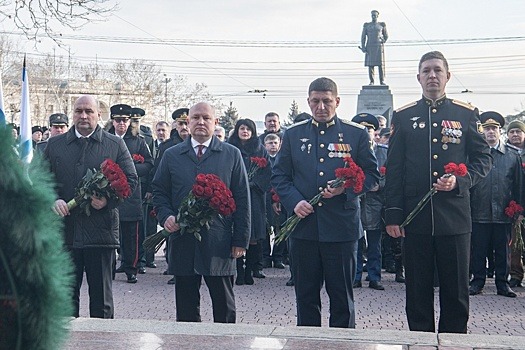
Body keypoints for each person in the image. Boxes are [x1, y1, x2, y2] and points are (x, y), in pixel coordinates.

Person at [384, 51, 492, 333]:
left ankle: (454, 341)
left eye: (437, 71)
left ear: (448, 75)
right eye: (427, 71)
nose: (432, 76)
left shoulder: (465, 113)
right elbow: (394, 169)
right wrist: (393, 215)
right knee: (417, 292)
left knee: (455, 292)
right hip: (415, 219)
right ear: (418, 77)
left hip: (454, 219)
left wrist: (460, 181)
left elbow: (483, 159)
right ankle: (420, 341)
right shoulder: (404, 116)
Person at [272, 77, 380, 328]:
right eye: (315, 101)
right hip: (303, 228)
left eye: (327, 101)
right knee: (306, 297)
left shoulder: (356, 134)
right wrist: (294, 201)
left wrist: (345, 189)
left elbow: (372, 176)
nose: (321, 107)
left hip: (341, 229)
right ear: (308, 102)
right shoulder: (293, 134)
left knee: (342, 298)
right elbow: (280, 175)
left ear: (337, 102)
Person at [152, 102, 251, 323]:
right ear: (188, 122)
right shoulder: (172, 155)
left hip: (219, 241)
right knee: (186, 308)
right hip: (183, 239)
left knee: (224, 307)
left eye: (206, 118)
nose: (200, 122)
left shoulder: (231, 155)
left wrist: (241, 240)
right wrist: (166, 216)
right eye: (195, 118)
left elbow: (243, 199)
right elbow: (158, 192)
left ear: (215, 122)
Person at [45, 95, 138, 318]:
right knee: (66, 298)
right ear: (72, 114)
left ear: (98, 114)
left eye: (89, 111)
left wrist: (108, 201)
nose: (83, 116)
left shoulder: (114, 143)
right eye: (78, 111)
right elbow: (39, 178)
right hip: (66, 232)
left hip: (101, 232)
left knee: (102, 300)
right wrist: (52, 199)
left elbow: (131, 180)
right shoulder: (55, 144)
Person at [469, 112, 521, 298]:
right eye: (486, 128)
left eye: (494, 128)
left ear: (501, 131)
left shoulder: (512, 156)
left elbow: (518, 185)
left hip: (503, 211)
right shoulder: (474, 155)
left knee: (502, 251)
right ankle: (478, 281)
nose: (490, 132)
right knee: (478, 249)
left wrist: (518, 210)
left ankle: (502, 283)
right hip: (478, 209)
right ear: (481, 131)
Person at [108, 104, 153, 282]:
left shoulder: (138, 141)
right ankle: (112, 266)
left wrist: (129, 169)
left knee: (131, 235)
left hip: (131, 194)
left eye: (125, 120)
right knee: (111, 234)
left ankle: (131, 268)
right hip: (110, 193)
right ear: (112, 121)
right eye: (118, 120)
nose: (121, 124)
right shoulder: (106, 139)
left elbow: (149, 164)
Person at [228, 118, 271, 285]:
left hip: (254, 197)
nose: (245, 131)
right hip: (234, 196)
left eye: (248, 129)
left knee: (254, 236)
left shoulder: (260, 150)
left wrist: (252, 183)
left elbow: (267, 172)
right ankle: (238, 270)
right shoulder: (230, 148)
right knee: (236, 233)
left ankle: (249, 271)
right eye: (242, 128)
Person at [351, 113, 387, 290]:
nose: (366, 133)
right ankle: (355, 276)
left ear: (375, 133)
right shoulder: (349, 152)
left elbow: (393, 177)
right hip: (355, 203)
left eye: (369, 130)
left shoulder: (383, 152)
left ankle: (374, 276)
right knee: (355, 242)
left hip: (375, 203)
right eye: (362, 130)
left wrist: (379, 185)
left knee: (374, 244)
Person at [506, 119, 525, 288]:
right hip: (514, 205)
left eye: (518, 132)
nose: (515, 135)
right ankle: (516, 274)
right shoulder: (506, 153)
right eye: (512, 132)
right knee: (515, 243)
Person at [360, 10, 388, 85]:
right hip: (370, 46)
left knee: (380, 65)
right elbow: (363, 37)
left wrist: (383, 40)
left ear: (377, 16)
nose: (374, 17)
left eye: (375, 15)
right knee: (370, 65)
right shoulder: (367, 25)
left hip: (378, 46)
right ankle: (371, 81)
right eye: (372, 15)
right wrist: (363, 47)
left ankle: (381, 81)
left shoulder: (381, 25)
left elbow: (386, 36)